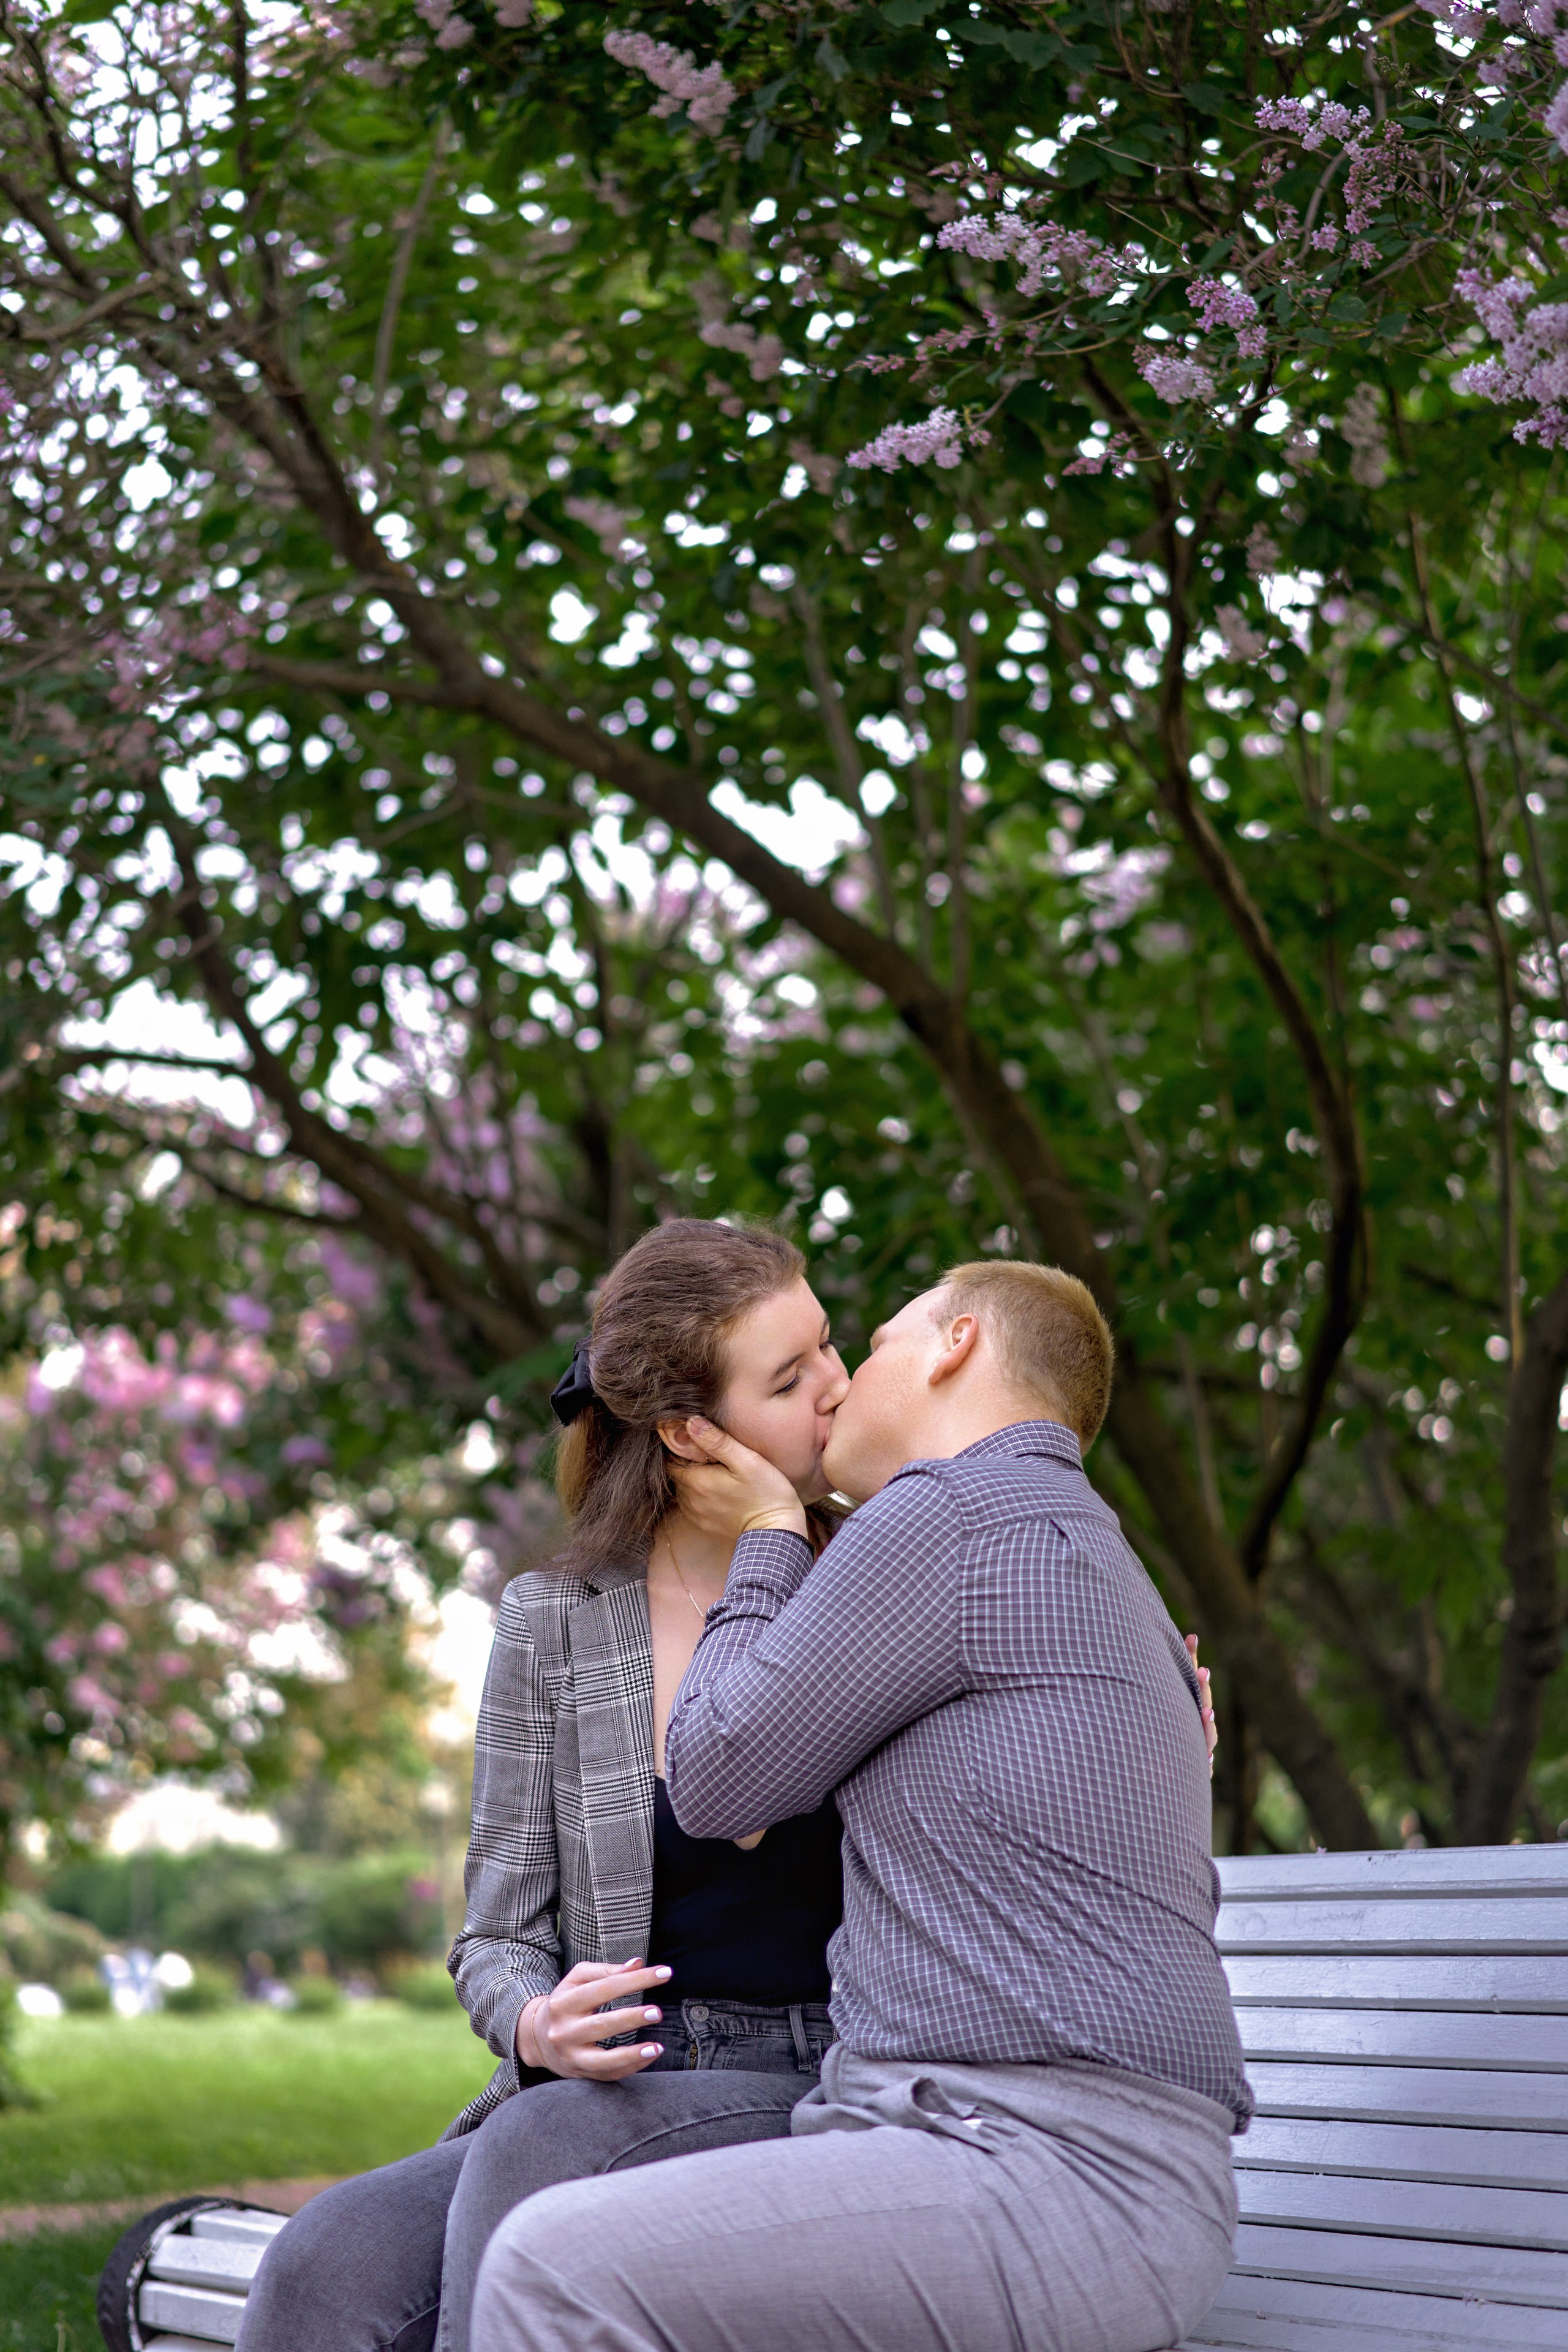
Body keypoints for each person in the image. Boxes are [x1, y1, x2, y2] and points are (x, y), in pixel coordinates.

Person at [470, 1261, 1248, 2352]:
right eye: (800, 1370)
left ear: (954, 1346)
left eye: (872, 1341)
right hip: (1023, 2155)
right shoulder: (1088, 1546)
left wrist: (772, 1538)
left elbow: (718, 1778)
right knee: (374, 2261)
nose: (844, 1381)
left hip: (1038, 2163)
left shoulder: (947, 1511)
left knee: (553, 2272)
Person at [236, 1219, 854, 2352]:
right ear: (688, 1429)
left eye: (827, 1346)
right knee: (319, 2268)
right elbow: (494, 1934)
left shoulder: (872, 1574)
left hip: (821, 2078)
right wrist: (535, 2022)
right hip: (610, 2087)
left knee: (539, 2159)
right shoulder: (556, 1622)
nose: (839, 1384)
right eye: (792, 1374)